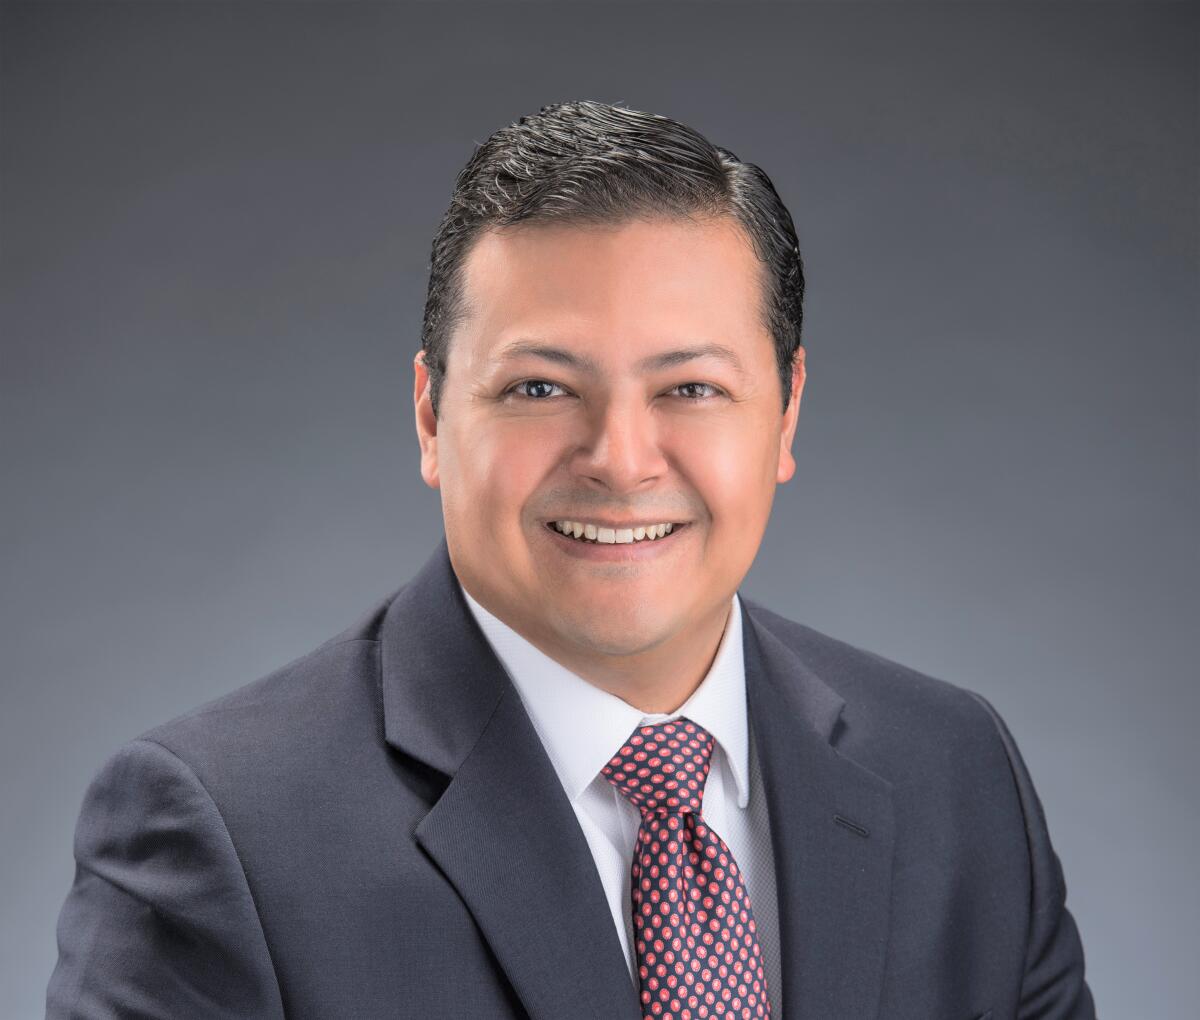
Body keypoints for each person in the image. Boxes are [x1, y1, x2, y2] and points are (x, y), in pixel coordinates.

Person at [46, 100, 1095, 1019]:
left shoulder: (957, 774)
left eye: (691, 388)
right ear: (430, 416)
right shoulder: (223, 834)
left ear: (786, 415)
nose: (621, 461)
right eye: (540, 389)